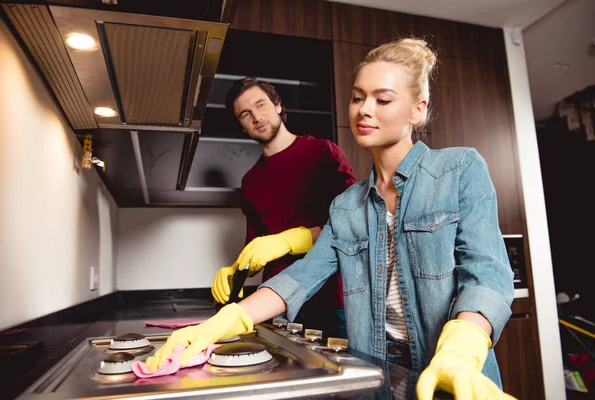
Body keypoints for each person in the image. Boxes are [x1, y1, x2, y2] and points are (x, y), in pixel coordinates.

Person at [146, 38, 516, 400]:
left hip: (454, 371)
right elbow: (299, 278)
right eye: (358, 97)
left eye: (383, 99)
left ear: (417, 110)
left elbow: (487, 276)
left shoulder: (460, 168)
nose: (364, 110)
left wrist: (461, 348)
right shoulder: (346, 207)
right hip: (375, 373)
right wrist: (219, 324)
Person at [210, 77, 356, 339]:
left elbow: (355, 223)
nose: (257, 117)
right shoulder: (250, 181)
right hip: (279, 305)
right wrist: (235, 269)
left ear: (277, 105)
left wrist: (290, 240)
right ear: (242, 126)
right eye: (245, 114)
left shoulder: (323, 152)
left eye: (261, 105)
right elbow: (255, 244)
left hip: (331, 300)